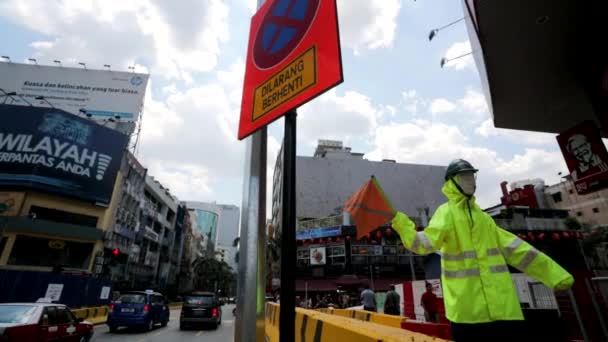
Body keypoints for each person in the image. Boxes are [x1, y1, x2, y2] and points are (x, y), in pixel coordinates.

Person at [391, 159, 574, 342]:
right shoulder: (446, 213)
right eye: (464, 177)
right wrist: (400, 222)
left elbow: (520, 251)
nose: (470, 181)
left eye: (472, 176)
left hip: (504, 310)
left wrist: (555, 275)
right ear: (451, 182)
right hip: (468, 313)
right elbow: (423, 243)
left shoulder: (485, 219)